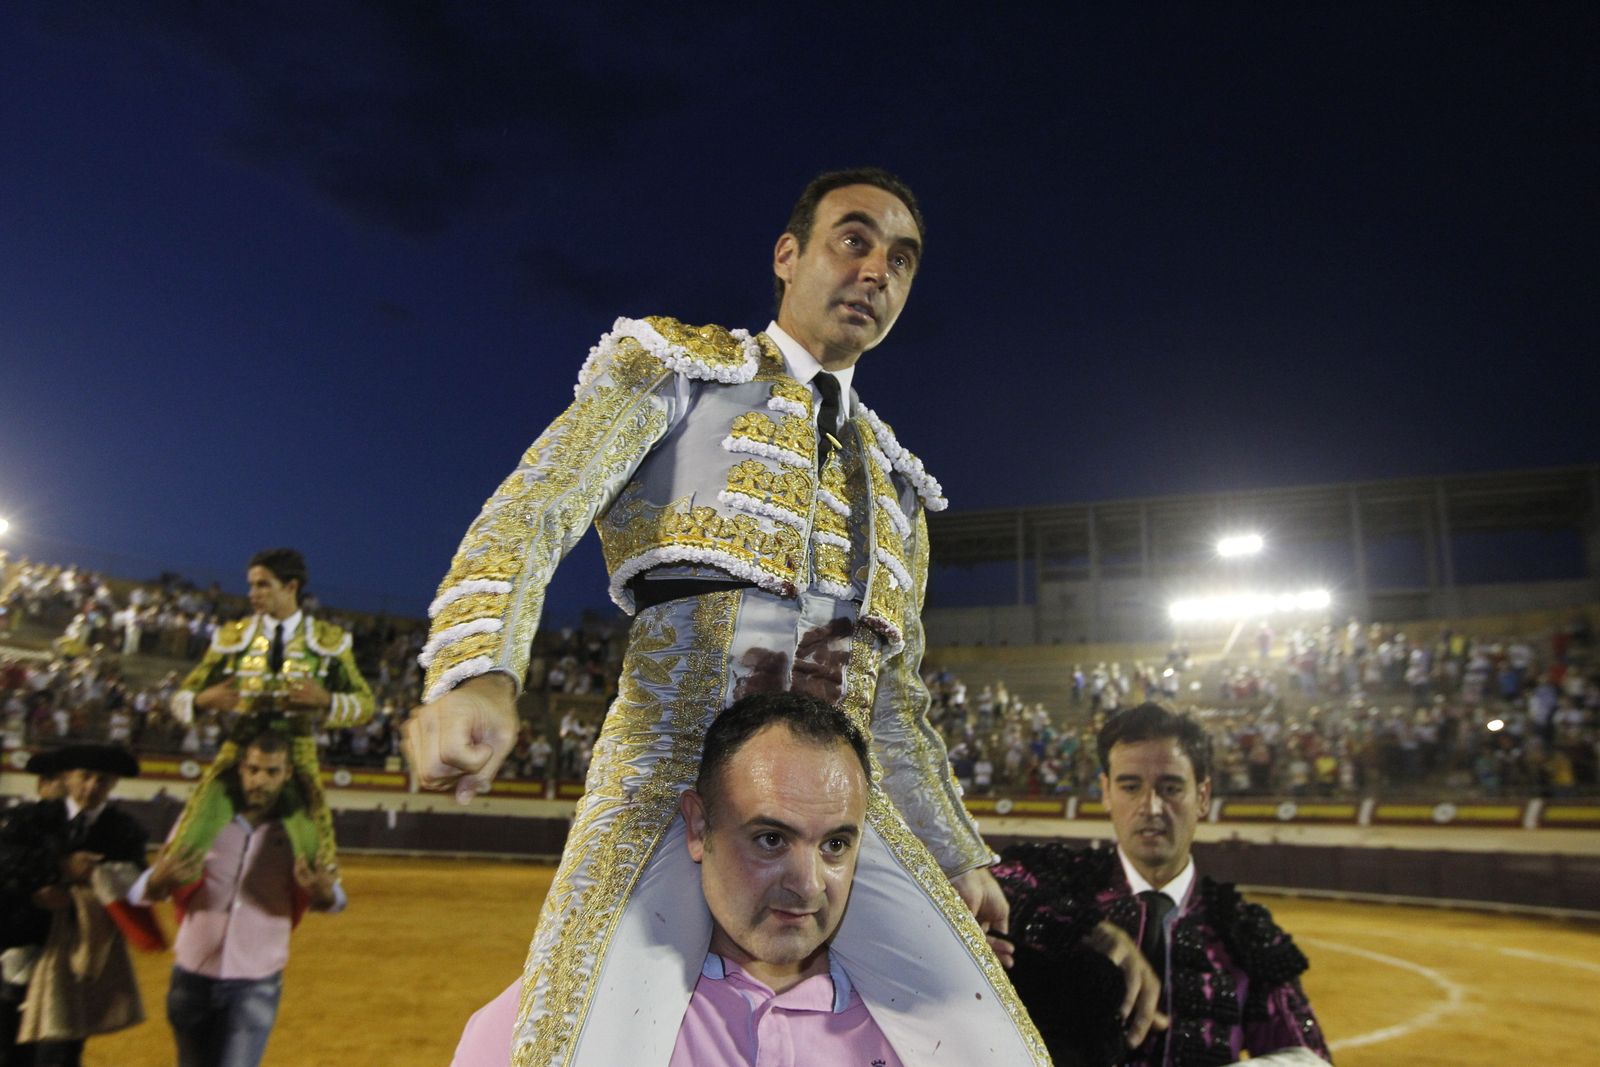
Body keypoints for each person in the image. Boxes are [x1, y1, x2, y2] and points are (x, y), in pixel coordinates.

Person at [404, 169, 1048, 1065]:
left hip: (835, 809)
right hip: (668, 779)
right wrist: (478, 668)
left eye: (900, 260)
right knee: (580, 1044)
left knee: (993, 1046)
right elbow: (534, 509)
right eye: (852, 240)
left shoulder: (898, 483)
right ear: (788, 256)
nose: (876, 273)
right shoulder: (678, 374)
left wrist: (954, 851)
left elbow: (894, 697)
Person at [453, 692, 915, 1064]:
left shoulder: (915, 1027)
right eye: (771, 839)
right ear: (698, 827)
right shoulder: (545, 1020)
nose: (809, 885)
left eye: (835, 845)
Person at [993, 704, 1333, 1066]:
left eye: (1170, 788)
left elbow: (1307, 1058)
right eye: (1130, 786)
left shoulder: (1244, 932)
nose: (1151, 807)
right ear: (1106, 792)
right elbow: (968, 889)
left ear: (1202, 797)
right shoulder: (1051, 881)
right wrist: (1079, 927)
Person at [128, 731, 346, 1067]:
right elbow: (145, 889)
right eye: (254, 769)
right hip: (193, 975)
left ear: (287, 774)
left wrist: (323, 893)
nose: (260, 780)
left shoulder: (302, 831)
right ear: (241, 769)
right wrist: (157, 880)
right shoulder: (202, 819)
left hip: (256, 981)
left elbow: (336, 898)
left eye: (272, 771)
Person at [168, 548, 373, 870]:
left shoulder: (328, 640)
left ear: (291, 587)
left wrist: (328, 701)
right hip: (240, 747)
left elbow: (366, 704)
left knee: (316, 862)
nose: (253, 594)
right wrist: (200, 700)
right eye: (251, 585)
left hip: (298, 750)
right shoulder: (233, 637)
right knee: (189, 844)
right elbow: (184, 694)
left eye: (263, 585)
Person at [0, 744, 151, 1067]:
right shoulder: (30, 818)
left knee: (62, 1054)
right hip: (23, 943)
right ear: (67, 778)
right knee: (9, 1047)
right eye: (85, 777)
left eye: (103, 780)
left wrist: (83, 893)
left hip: (78, 957)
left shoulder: (125, 831)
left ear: (112, 785)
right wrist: (57, 870)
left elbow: (133, 887)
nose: (92, 787)